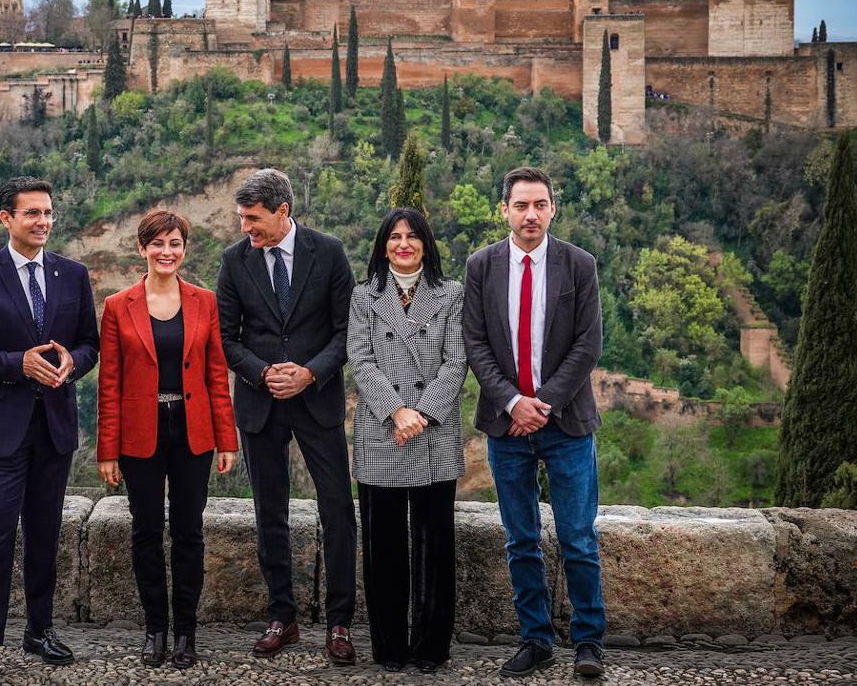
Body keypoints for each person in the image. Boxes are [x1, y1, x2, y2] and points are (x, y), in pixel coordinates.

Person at [0, 176, 99, 683]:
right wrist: (19, 363)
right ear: (6, 219)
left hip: (54, 427)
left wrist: (69, 364)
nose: (43, 221)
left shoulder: (72, 274)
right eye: (32, 213)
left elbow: (89, 345)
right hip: (1, 431)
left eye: (48, 212)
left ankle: (39, 629)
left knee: (45, 532)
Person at [462, 167, 606, 679]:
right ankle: (536, 639)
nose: (530, 215)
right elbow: (475, 343)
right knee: (520, 538)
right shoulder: (481, 266)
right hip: (506, 427)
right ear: (504, 210)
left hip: (566, 424)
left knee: (577, 537)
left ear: (553, 209)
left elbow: (589, 344)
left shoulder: (578, 264)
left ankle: (588, 642)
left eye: (540, 205)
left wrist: (540, 402)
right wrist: (511, 403)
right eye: (521, 205)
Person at [215, 168, 358, 665]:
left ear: (283, 211)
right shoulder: (234, 261)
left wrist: (309, 374)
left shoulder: (331, 252)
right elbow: (226, 337)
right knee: (268, 512)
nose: (246, 229)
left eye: (253, 219)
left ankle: (340, 623)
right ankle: (283, 616)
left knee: (338, 510)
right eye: (241, 219)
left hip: (317, 402)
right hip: (260, 405)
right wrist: (262, 373)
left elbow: (347, 332)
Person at [96, 210, 239, 670]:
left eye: (175, 243)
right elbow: (110, 382)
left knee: (189, 532)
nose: (166, 252)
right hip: (141, 431)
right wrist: (107, 449)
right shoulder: (119, 305)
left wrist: (227, 439)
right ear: (142, 249)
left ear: (184, 249)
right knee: (145, 532)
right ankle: (155, 629)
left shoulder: (205, 302)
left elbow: (218, 376)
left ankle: (186, 632)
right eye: (157, 244)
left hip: (193, 430)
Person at [347, 208, 467, 673]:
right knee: (384, 545)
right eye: (394, 237)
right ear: (382, 245)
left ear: (426, 244)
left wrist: (422, 413)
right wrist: (397, 411)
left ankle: (433, 647)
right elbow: (361, 359)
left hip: (434, 431)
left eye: (412, 237)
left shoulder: (451, 294)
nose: (403, 244)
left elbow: (456, 362)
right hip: (383, 430)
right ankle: (390, 647)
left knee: (435, 545)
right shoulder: (364, 298)